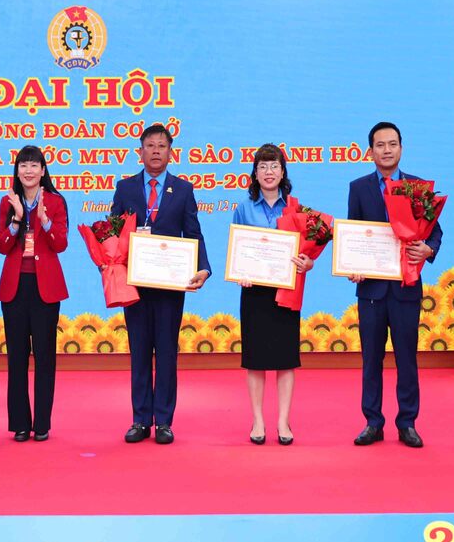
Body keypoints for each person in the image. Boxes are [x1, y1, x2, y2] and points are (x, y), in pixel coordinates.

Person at [110, 123, 211, 445]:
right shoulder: (125, 188)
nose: (156, 151)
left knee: (166, 353)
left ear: (171, 152)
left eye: (161, 146)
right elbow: (113, 232)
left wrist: (203, 268)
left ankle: (164, 421)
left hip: (170, 286)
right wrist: (108, 261)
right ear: (140, 152)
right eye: (150, 146)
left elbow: (193, 233)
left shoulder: (183, 190)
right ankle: (140, 419)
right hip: (135, 286)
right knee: (139, 352)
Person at [347, 121, 442, 449]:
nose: (386, 150)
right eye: (380, 145)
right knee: (371, 360)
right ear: (370, 151)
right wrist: (352, 266)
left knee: (406, 358)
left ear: (401, 148)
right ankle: (373, 422)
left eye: (392, 144)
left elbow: (435, 232)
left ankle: (407, 423)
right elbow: (353, 234)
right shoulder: (358, 188)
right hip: (371, 291)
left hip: (405, 288)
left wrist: (428, 250)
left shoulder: (417, 187)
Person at [230, 144, 313, 447]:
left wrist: (308, 262)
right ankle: (258, 420)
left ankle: (283, 421)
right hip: (254, 293)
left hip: (285, 291)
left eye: (274, 166)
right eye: (263, 166)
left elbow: (306, 252)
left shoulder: (295, 208)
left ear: (282, 172)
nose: (268, 172)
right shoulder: (243, 208)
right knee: (255, 359)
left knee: (285, 358)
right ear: (255, 173)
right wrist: (240, 272)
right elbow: (237, 252)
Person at [0, 144, 69, 442]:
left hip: (45, 288)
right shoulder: (7, 202)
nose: (28, 170)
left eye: (33, 165)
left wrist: (45, 220)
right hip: (15, 288)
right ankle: (20, 424)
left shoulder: (55, 201)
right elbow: (2, 246)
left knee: (44, 356)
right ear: (17, 171)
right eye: (23, 165)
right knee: (16, 358)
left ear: (43, 170)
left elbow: (60, 244)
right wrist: (16, 219)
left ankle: (42, 424)